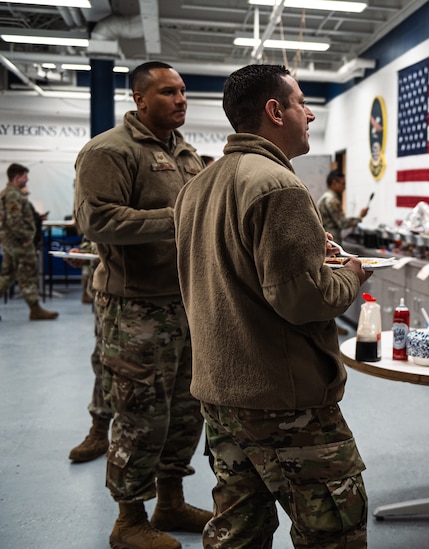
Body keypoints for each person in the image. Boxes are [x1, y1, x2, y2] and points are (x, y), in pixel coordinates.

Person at [175, 63, 371, 549]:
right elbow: (304, 301)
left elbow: (237, 268)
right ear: (274, 111)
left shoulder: (196, 186)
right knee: (334, 529)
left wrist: (309, 255)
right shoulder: (278, 185)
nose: (308, 114)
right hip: (281, 400)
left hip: (220, 390)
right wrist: (351, 274)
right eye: (301, 102)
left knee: (238, 527)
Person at [74, 61, 210, 549]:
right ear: (140, 98)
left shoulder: (188, 155)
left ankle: (169, 500)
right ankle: (128, 518)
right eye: (168, 91)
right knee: (140, 413)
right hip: (134, 310)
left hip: (186, 302)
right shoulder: (109, 151)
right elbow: (97, 221)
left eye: (183, 91)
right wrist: (175, 220)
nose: (180, 99)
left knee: (185, 409)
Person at [65, 238, 112, 463]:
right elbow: (97, 231)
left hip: (163, 288)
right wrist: (84, 251)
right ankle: (99, 430)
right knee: (104, 361)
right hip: (110, 289)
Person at [0, 163, 59, 321]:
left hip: (10, 242)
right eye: (25, 176)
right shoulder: (13, 195)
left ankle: (35, 308)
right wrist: (25, 238)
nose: (27, 179)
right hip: (18, 243)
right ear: (17, 177)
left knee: (7, 276)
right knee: (28, 274)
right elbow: (14, 221)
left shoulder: (10, 193)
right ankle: (35, 309)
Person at [317, 169, 368, 243]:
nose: (344, 187)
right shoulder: (332, 200)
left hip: (327, 240)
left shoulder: (324, 197)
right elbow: (342, 223)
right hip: (332, 241)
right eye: (343, 184)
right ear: (334, 183)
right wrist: (360, 216)